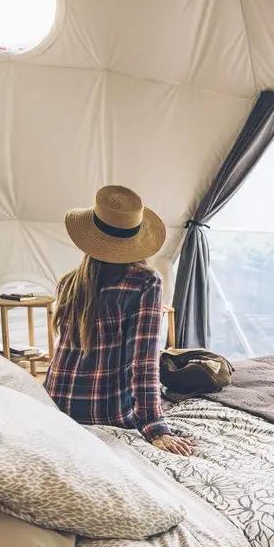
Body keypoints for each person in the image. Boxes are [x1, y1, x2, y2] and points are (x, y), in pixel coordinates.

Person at [45, 185, 192, 456]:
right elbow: (143, 363)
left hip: (56, 402)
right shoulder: (145, 282)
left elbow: (62, 355)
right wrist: (155, 427)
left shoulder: (68, 282)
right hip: (104, 411)